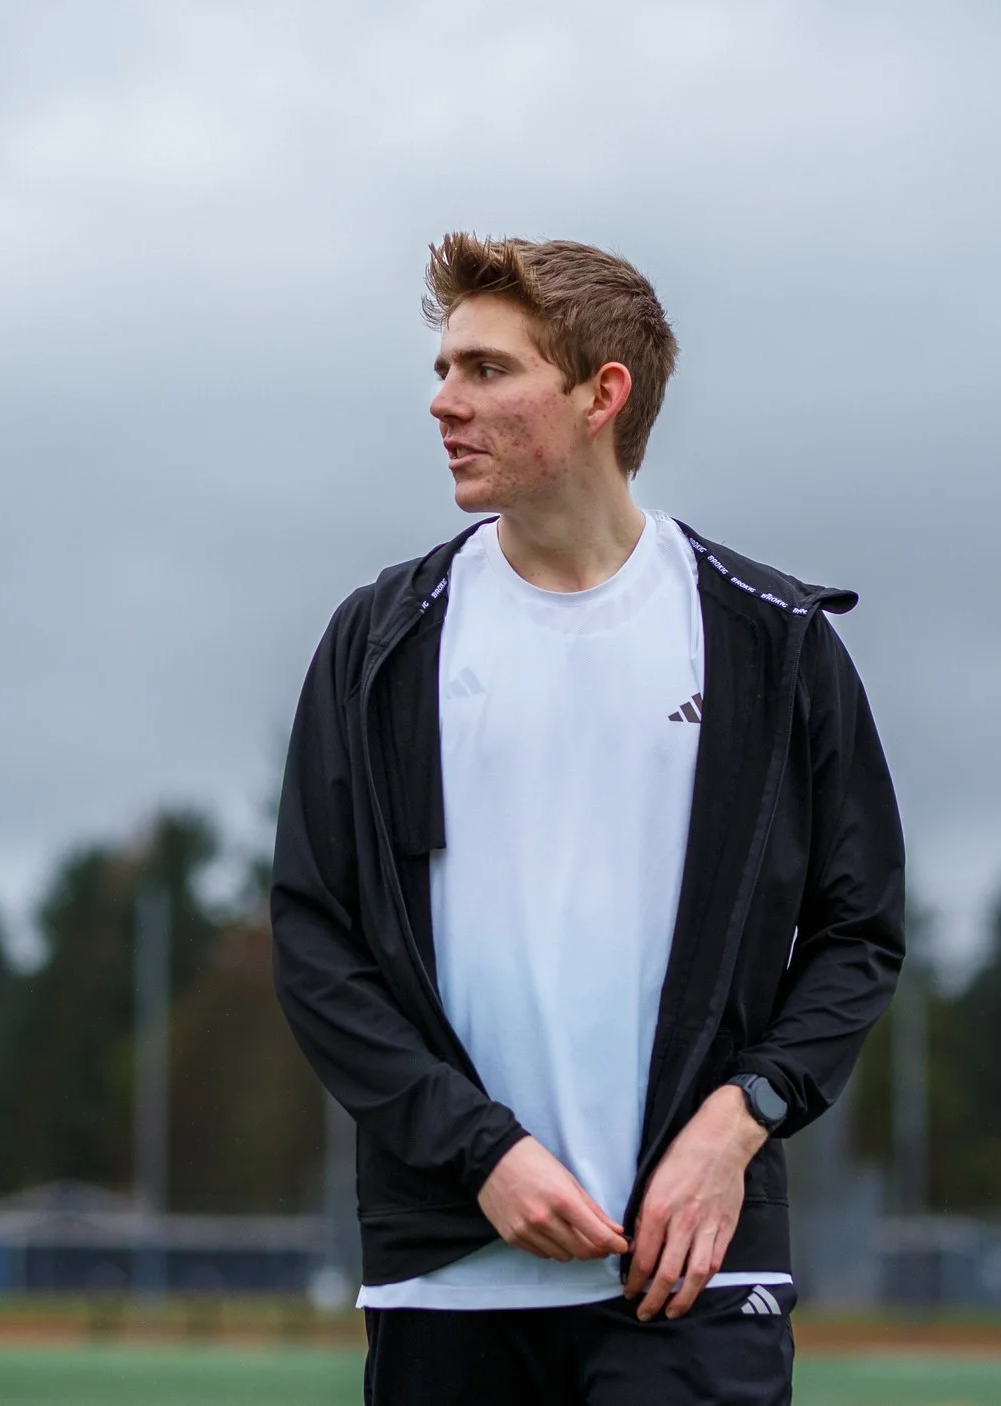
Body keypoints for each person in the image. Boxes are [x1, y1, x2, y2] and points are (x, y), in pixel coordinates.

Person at [271, 234, 904, 1405]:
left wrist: (741, 1118)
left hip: (692, 1270)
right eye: (443, 367)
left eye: (485, 370)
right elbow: (317, 941)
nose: (441, 401)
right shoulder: (381, 641)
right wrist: (482, 1154)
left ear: (600, 393)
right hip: (450, 1275)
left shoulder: (774, 640)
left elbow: (856, 934)